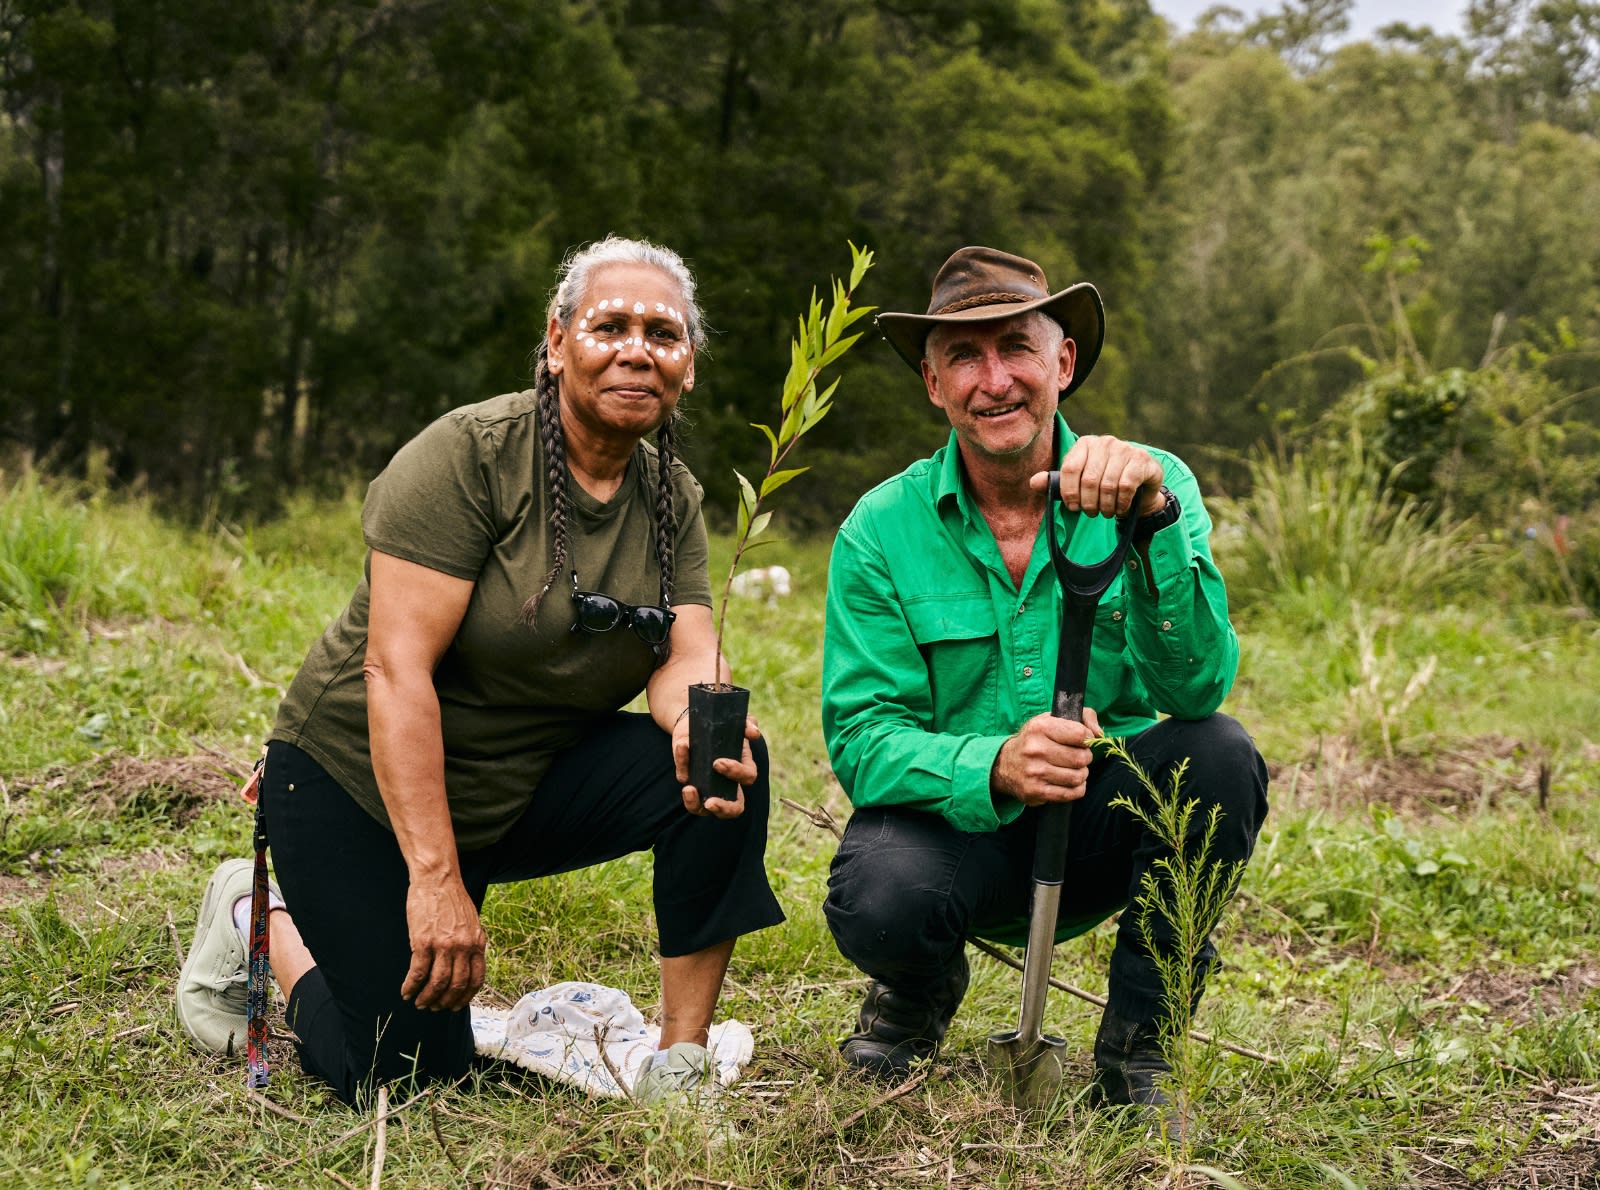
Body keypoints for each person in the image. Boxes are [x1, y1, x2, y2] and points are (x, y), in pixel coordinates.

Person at [175, 236, 785, 1108]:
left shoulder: (671, 494)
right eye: (609, 325)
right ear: (557, 342)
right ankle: (258, 920)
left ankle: (678, 1068)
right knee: (404, 1079)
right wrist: (436, 882)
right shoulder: (469, 455)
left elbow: (686, 643)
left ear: (688, 365)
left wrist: (696, 711)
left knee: (722, 768)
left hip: (512, 786)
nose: (636, 349)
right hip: (357, 784)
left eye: (664, 332)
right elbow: (393, 671)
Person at [820, 246, 1268, 1123]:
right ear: (933, 384)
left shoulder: (1154, 484)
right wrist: (994, 764)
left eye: (1017, 347)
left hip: (1103, 824)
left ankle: (1140, 1055)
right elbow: (863, 735)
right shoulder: (881, 527)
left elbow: (1197, 686)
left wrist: (1150, 523)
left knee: (1217, 756)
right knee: (879, 895)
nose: (995, 380)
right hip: (959, 834)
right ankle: (914, 994)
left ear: (1062, 362)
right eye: (965, 357)